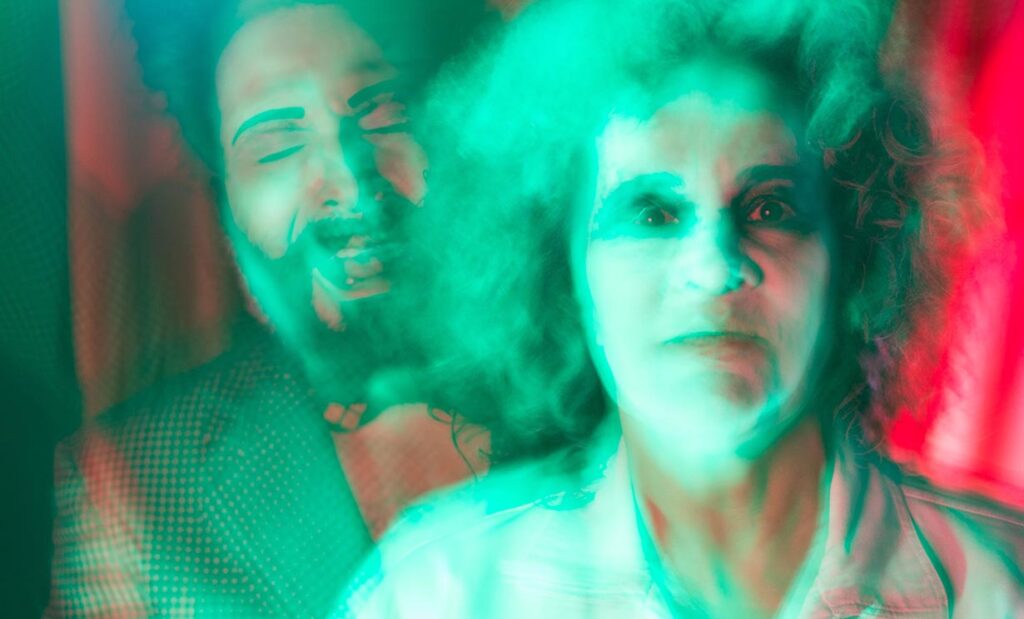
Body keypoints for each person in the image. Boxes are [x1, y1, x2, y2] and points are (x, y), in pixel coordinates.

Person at [340, 0, 1024, 616]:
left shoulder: (1001, 584)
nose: (714, 267)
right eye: (653, 213)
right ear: (559, 266)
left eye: (771, 208)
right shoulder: (439, 594)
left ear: (853, 258)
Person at [45, 1, 493, 616]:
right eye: (278, 142)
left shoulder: (595, 386)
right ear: (225, 213)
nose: (351, 181)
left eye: (385, 108)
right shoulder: (137, 486)